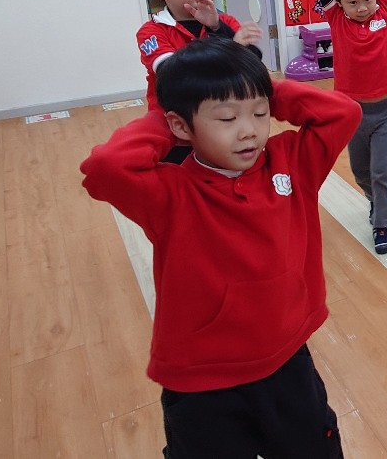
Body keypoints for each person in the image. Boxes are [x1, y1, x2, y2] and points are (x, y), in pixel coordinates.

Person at [80, 38, 360, 458]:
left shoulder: (291, 162)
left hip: (288, 362)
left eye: (261, 114)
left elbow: (344, 112)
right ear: (180, 126)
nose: (249, 130)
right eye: (227, 118)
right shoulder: (170, 193)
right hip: (202, 382)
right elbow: (105, 168)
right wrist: (169, 114)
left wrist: (256, 87)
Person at [318, 0, 387, 255]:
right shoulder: (336, 19)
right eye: (353, 2)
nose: (362, 7)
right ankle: (374, 199)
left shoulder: (384, 9)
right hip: (354, 113)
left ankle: (381, 224)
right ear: (340, 3)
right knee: (361, 170)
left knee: (383, 170)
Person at [136, 0, 264, 114]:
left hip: (222, 112)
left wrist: (217, 28)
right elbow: (174, 75)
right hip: (173, 116)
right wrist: (233, 48)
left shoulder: (224, 22)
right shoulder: (152, 31)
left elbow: (254, 63)